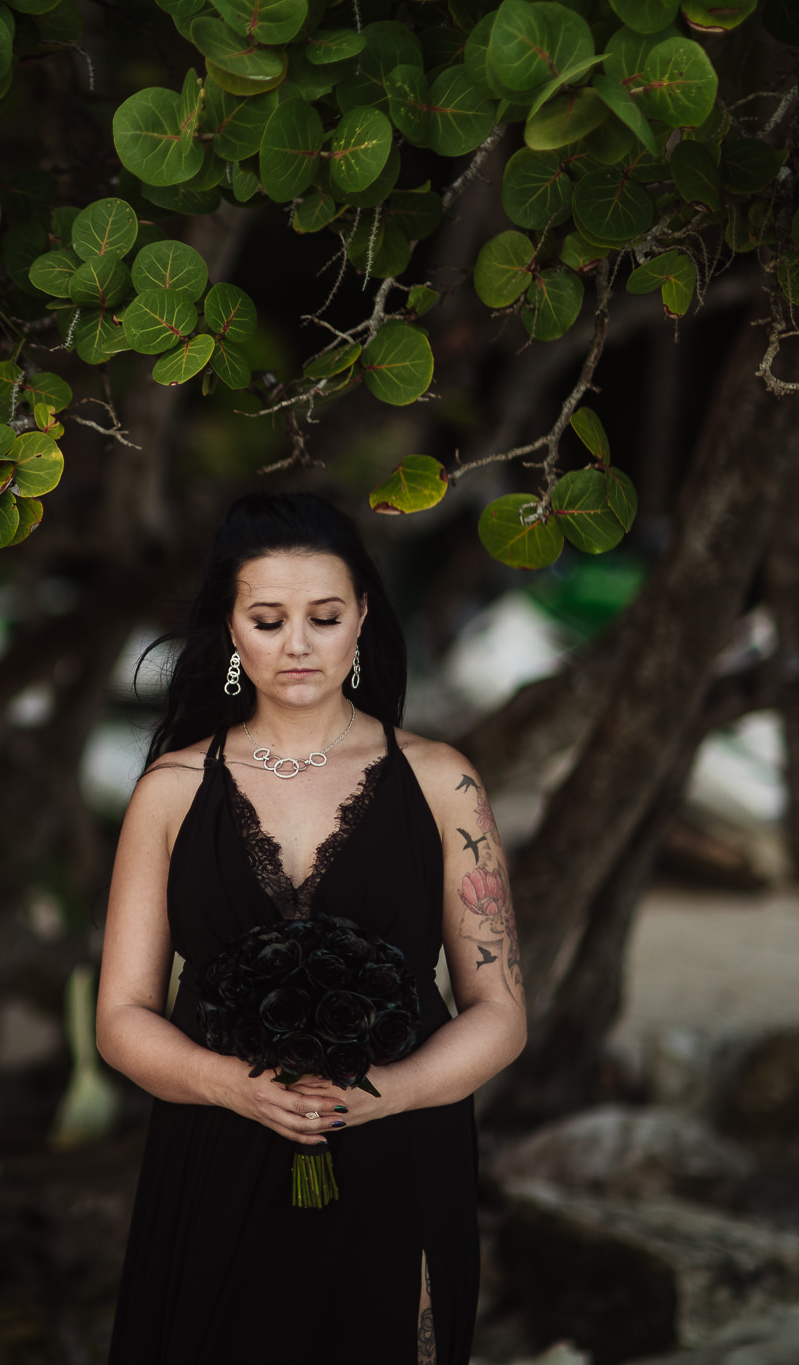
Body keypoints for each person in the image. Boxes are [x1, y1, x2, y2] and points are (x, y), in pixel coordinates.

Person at [98, 492, 527, 1364]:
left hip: (400, 1149)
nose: (297, 644)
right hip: (217, 1144)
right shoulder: (171, 792)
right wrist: (230, 1084)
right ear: (230, 626)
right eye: (268, 617)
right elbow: (120, 1017)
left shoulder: (443, 783)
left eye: (324, 616)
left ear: (362, 617)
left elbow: (500, 1009)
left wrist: (387, 1091)